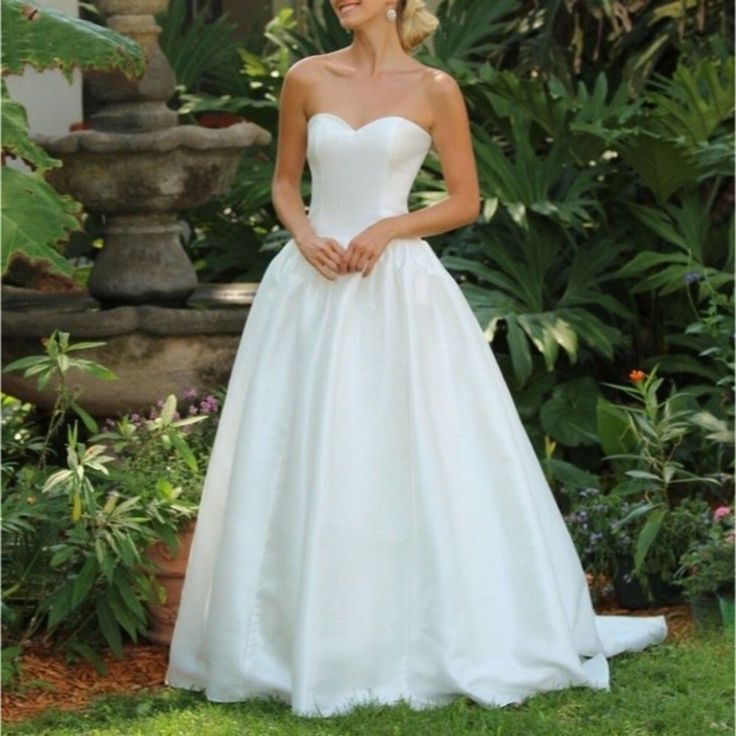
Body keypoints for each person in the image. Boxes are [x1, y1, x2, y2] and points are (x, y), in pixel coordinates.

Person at [165, 0, 667, 718]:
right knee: (304, 449)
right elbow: (284, 182)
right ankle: (292, 639)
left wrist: (391, 227)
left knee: (407, 448)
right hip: (310, 288)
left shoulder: (435, 89)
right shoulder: (306, 76)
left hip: (396, 287)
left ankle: (418, 633)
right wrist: (304, 235)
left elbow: (465, 199)